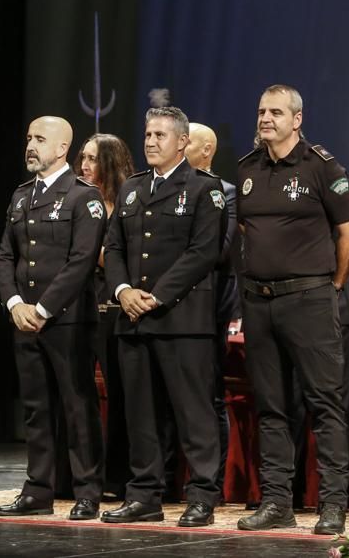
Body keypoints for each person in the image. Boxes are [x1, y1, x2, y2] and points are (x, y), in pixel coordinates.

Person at [235, 84, 349, 535]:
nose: (265, 119)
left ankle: (333, 504)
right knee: (271, 407)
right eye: (261, 111)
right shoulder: (247, 168)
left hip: (309, 300)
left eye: (275, 112)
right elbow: (247, 228)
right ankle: (277, 502)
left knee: (325, 405)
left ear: (297, 119)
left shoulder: (321, 167)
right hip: (259, 302)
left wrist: (334, 285)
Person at [101, 106, 225, 527]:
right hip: (133, 319)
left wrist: (156, 296)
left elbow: (203, 252)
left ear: (182, 142)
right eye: (148, 134)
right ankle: (144, 495)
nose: (151, 141)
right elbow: (114, 247)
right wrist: (123, 290)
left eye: (160, 135)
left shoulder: (204, 188)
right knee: (141, 414)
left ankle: (202, 496)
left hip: (182, 320)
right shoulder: (133, 188)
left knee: (193, 414)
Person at [0, 116, 105, 520]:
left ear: (62, 148)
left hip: (66, 321)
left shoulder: (83, 197)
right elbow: (5, 255)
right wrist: (14, 304)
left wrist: (42, 309)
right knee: (36, 409)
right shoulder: (22, 195)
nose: (31, 145)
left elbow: (81, 261)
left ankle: (87, 491)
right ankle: (38, 489)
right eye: (29, 138)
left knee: (77, 408)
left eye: (40, 139)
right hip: (25, 320)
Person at [76, 132, 134, 499]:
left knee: (120, 397)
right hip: (79, 305)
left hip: (114, 309)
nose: (84, 165)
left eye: (92, 158)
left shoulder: (127, 200)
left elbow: (117, 257)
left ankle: (117, 478)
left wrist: (92, 253)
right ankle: (81, 475)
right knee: (78, 394)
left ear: (110, 162)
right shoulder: (76, 198)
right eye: (82, 157)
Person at [184, 122, 238, 492]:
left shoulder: (227, 193)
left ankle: (210, 483)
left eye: (187, 142)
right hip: (166, 306)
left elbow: (219, 249)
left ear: (206, 150)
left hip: (208, 306)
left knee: (209, 395)